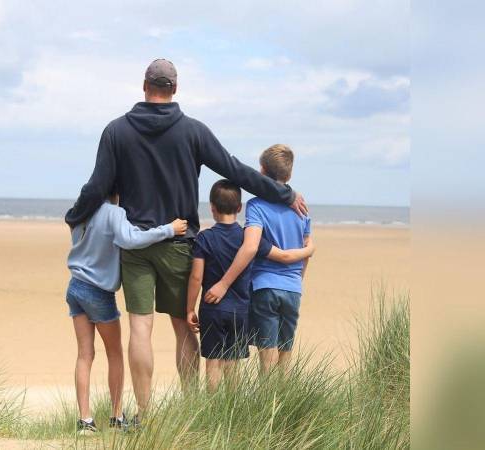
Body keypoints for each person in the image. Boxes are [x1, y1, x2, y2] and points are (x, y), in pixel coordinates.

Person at [65, 58, 308, 421]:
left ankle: (144, 416)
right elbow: (235, 170)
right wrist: (282, 193)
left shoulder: (116, 131)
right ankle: (192, 411)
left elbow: (98, 187)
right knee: (183, 326)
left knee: (140, 328)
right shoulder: (192, 131)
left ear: (144, 85)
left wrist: (75, 216)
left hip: (136, 246)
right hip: (181, 244)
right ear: (174, 89)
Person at [65, 188, 187, 434]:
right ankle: (116, 416)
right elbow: (130, 239)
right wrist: (168, 230)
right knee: (114, 354)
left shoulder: (79, 213)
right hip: (98, 292)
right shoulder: (113, 212)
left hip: (75, 287)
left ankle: (85, 421)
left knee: (84, 355)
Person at [186, 180, 314, 392]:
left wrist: (190, 308)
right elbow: (281, 255)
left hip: (212, 308)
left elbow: (196, 277)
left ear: (212, 207)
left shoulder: (205, 238)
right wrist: (308, 250)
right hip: (240, 309)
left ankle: (212, 407)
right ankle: (232, 405)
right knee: (233, 360)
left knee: (213, 361)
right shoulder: (249, 239)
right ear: (239, 208)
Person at [204, 145, 313, 373]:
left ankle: (267, 405)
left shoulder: (256, 206)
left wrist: (224, 284)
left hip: (265, 286)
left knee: (267, 353)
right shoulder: (302, 209)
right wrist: (297, 281)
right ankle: (284, 403)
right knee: (286, 350)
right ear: (289, 174)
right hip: (293, 288)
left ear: (261, 173)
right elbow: (306, 250)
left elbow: (251, 246)